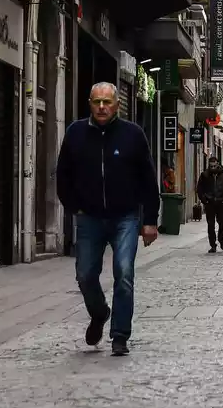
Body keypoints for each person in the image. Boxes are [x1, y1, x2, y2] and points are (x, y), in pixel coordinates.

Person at [57, 82, 159, 357]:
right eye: (96, 102)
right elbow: (62, 174)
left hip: (125, 217)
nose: (102, 107)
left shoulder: (133, 135)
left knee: (124, 273)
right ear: (89, 103)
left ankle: (120, 336)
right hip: (89, 217)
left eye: (107, 102)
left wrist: (150, 220)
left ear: (117, 105)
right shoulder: (76, 133)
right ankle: (100, 312)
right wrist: (73, 206)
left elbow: (148, 180)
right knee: (85, 275)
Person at [196, 157, 223, 253]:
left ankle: (221, 239)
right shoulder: (204, 175)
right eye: (211, 166)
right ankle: (213, 245)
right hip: (210, 204)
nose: (213, 167)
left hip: (221, 203)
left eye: (214, 165)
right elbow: (199, 189)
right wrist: (205, 200)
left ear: (217, 164)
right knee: (211, 225)